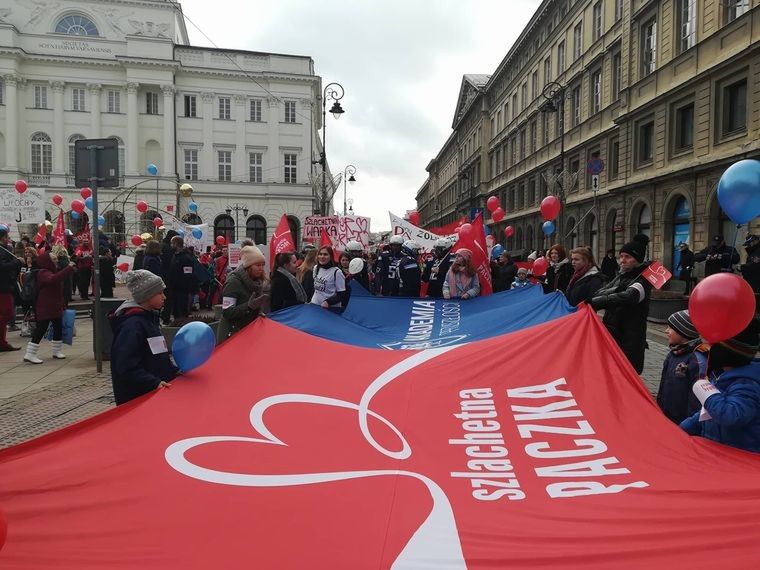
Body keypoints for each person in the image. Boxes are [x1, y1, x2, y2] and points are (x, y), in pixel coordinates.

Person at [680, 323, 760, 453]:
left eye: (709, 348)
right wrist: (681, 429)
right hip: (716, 451)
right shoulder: (721, 375)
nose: (706, 351)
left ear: (724, 353)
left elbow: (732, 416)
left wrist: (709, 395)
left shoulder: (748, 384)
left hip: (739, 459)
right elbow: (708, 413)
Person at [109, 270, 178, 405]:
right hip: (138, 399)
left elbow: (158, 357)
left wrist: (174, 372)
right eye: (160, 293)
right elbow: (126, 366)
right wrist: (154, 383)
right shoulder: (132, 326)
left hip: (154, 395)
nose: (164, 297)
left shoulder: (148, 319)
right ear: (147, 295)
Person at [591, 234, 652, 374]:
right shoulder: (622, 275)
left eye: (627, 257)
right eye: (621, 256)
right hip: (613, 333)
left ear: (637, 259)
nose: (622, 260)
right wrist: (596, 299)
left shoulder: (644, 279)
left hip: (630, 338)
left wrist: (597, 302)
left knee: (626, 373)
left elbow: (628, 297)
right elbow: (600, 292)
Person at [23, 247, 74, 364]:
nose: (56, 261)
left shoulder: (51, 271)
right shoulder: (43, 272)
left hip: (54, 306)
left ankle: (57, 351)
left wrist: (62, 305)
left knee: (58, 328)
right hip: (45, 306)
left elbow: (57, 289)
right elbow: (53, 280)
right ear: (48, 261)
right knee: (41, 329)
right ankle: (30, 354)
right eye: (54, 259)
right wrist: (68, 268)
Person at [656, 310, 707, 424]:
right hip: (666, 415)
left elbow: (696, 399)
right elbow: (663, 384)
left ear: (683, 332)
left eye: (670, 328)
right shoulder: (673, 354)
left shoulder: (696, 360)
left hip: (684, 422)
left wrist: (690, 425)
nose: (666, 331)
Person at [220, 245, 270, 338]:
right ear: (248, 266)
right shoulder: (233, 282)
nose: (261, 268)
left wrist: (258, 313)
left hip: (249, 332)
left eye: (263, 265)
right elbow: (227, 312)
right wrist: (248, 306)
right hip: (233, 334)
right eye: (258, 265)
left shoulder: (257, 282)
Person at [0, 228, 23, 351]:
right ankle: (1, 343)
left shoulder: (4, 250)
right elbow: (2, 267)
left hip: (5, 286)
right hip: (3, 287)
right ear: (3, 238)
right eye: (7, 237)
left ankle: (2, 342)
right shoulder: (2, 251)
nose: (8, 240)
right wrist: (17, 262)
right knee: (6, 313)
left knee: (5, 314)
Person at [166, 236, 197, 321]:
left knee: (181, 311)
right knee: (176, 311)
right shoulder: (175, 256)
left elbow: (188, 275)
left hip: (182, 289)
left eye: (171, 243)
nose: (170, 245)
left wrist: (185, 287)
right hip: (175, 288)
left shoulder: (185, 257)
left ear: (176, 244)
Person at [740, 234, 760, 303]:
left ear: (756, 241)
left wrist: (742, 267)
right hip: (750, 281)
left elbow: (754, 265)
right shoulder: (753, 252)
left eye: (749, 243)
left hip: (756, 283)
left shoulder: (758, 252)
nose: (748, 246)